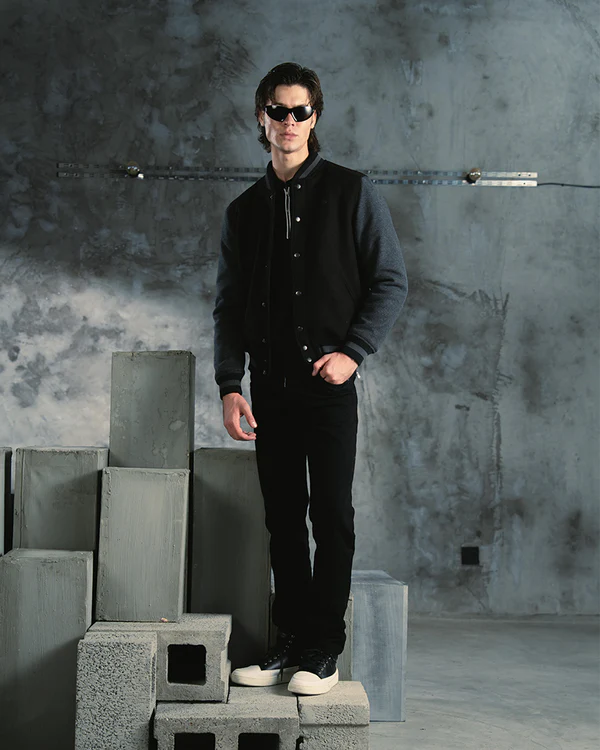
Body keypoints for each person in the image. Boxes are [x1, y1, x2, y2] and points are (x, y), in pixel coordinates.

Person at [213, 62, 408, 696]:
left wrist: (354, 351)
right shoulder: (244, 212)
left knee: (331, 517)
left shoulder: (352, 192)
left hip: (327, 388)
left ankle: (323, 649)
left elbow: (390, 281)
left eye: (301, 111)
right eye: (278, 111)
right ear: (262, 118)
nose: (289, 122)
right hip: (268, 389)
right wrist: (229, 384)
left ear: (314, 117)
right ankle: (291, 641)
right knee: (283, 521)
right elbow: (228, 307)